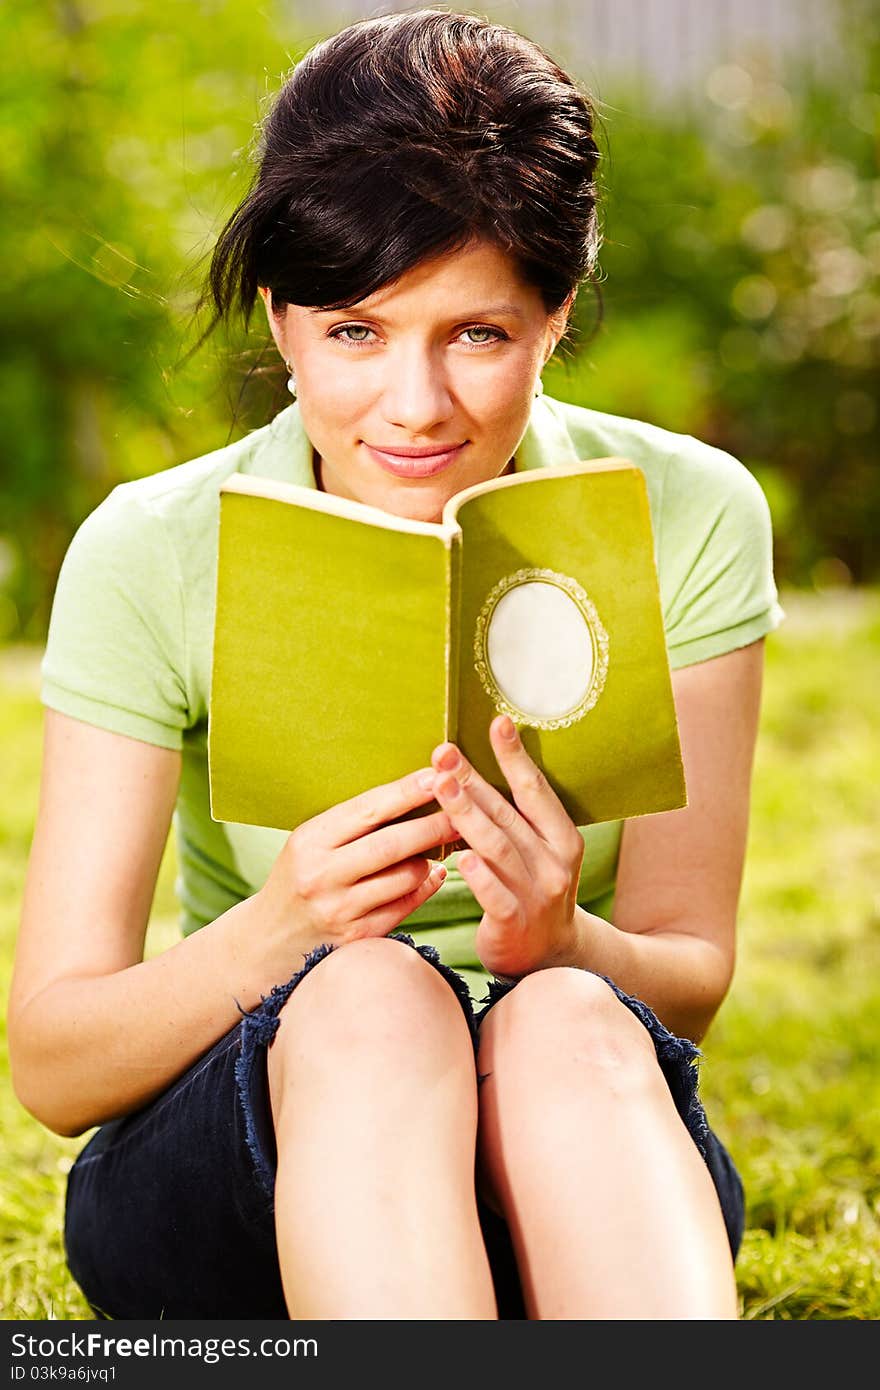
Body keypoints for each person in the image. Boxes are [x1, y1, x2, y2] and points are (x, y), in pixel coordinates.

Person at [8, 8, 784, 1320]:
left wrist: (560, 938)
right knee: (371, 994)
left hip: (569, 1157)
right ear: (281, 315)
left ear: (556, 314)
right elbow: (56, 1061)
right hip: (246, 1162)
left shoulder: (687, 511)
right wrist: (287, 925)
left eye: (476, 334)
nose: (414, 406)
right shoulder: (150, 548)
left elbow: (688, 974)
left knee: (566, 1017)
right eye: (355, 332)